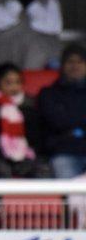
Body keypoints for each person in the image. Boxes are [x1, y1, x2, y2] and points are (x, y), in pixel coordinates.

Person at [38, 44, 86, 179]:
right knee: (70, 195)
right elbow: (57, 122)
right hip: (63, 151)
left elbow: (64, 120)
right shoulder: (48, 93)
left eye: (80, 62)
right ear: (62, 65)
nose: (75, 66)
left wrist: (69, 119)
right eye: (70, 61)